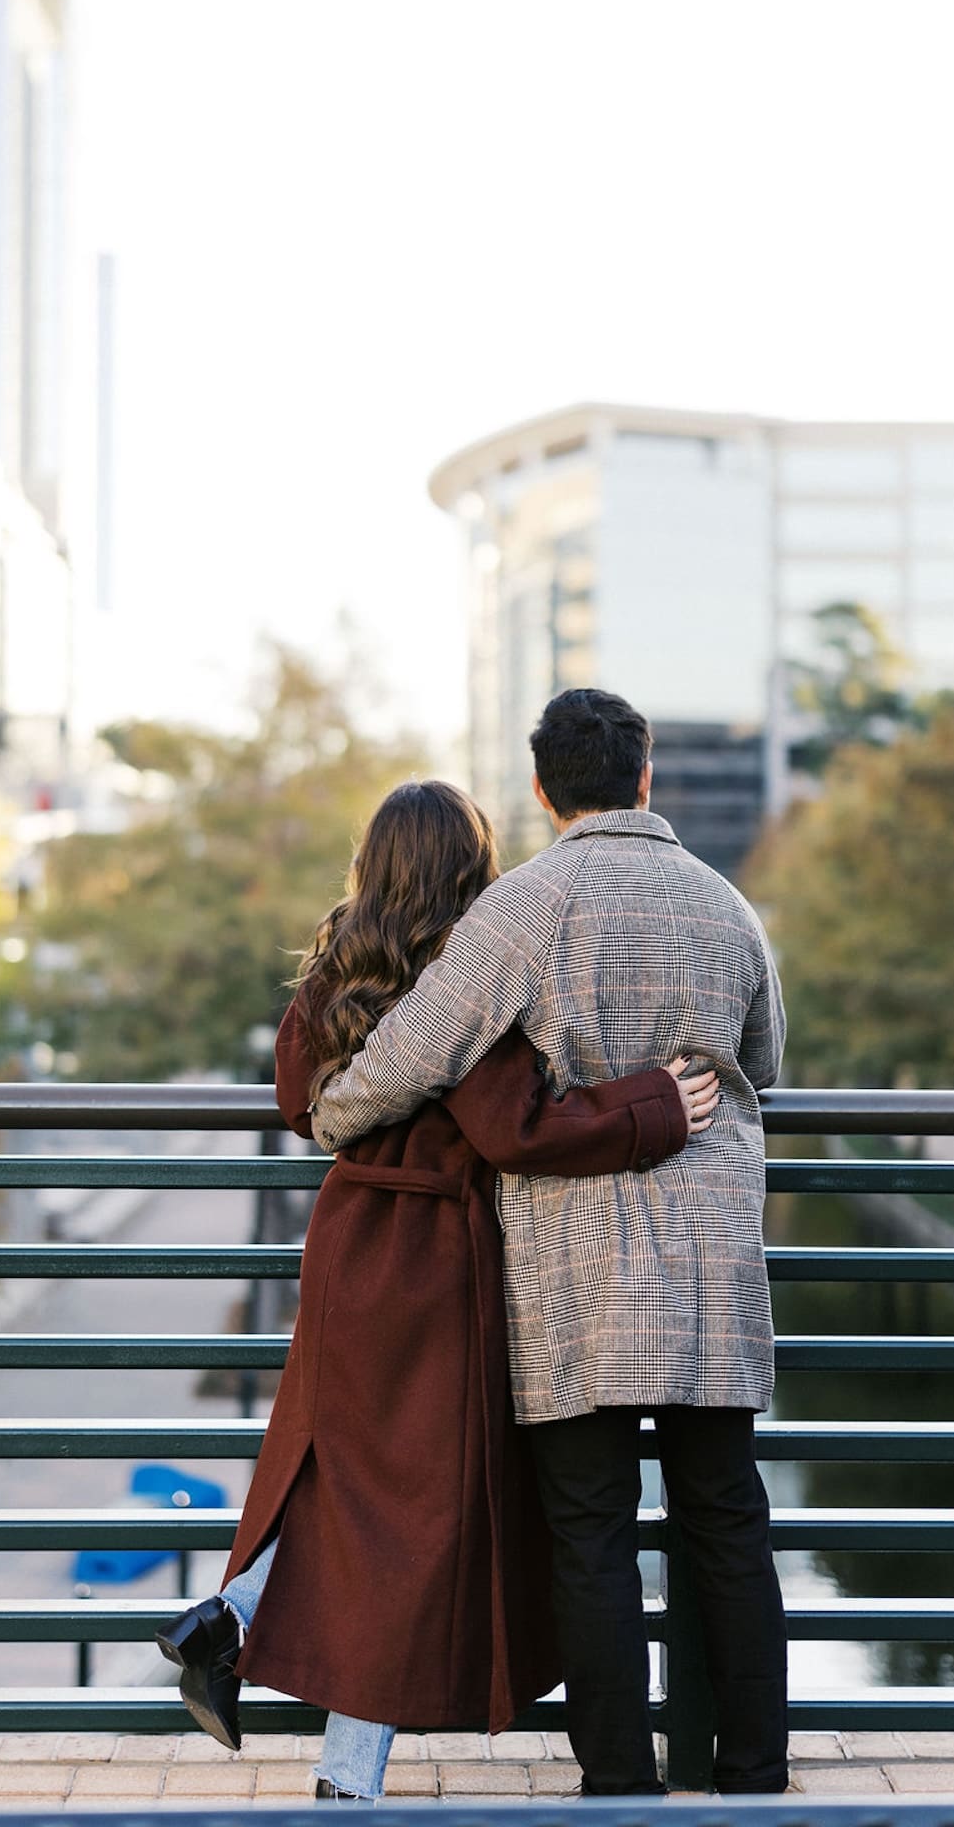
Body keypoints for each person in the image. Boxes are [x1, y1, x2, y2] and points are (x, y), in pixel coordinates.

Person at [156, 778, 718, 1800]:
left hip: (348, 1252)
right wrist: (652, 1108)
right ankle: (343, 1772)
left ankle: (230, 1617)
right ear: (472, 865)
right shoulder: (465, 982)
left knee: (347, 1491)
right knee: (411, 1526)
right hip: (435, 1272)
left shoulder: (336, 972)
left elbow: (297, 1098)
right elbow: (520, 1128)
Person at [312, 690, 789, 1797]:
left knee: (589, 1532)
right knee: (726, 1515)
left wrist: (333, 1115)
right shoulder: (728, 908)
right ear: (645, 775)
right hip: (712, 1257)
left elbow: (413, 1050)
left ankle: (619, 1782)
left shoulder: (519, 911)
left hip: (572, 1267)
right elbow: (763, 1060)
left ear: (541, 789)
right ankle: (754, 1774)